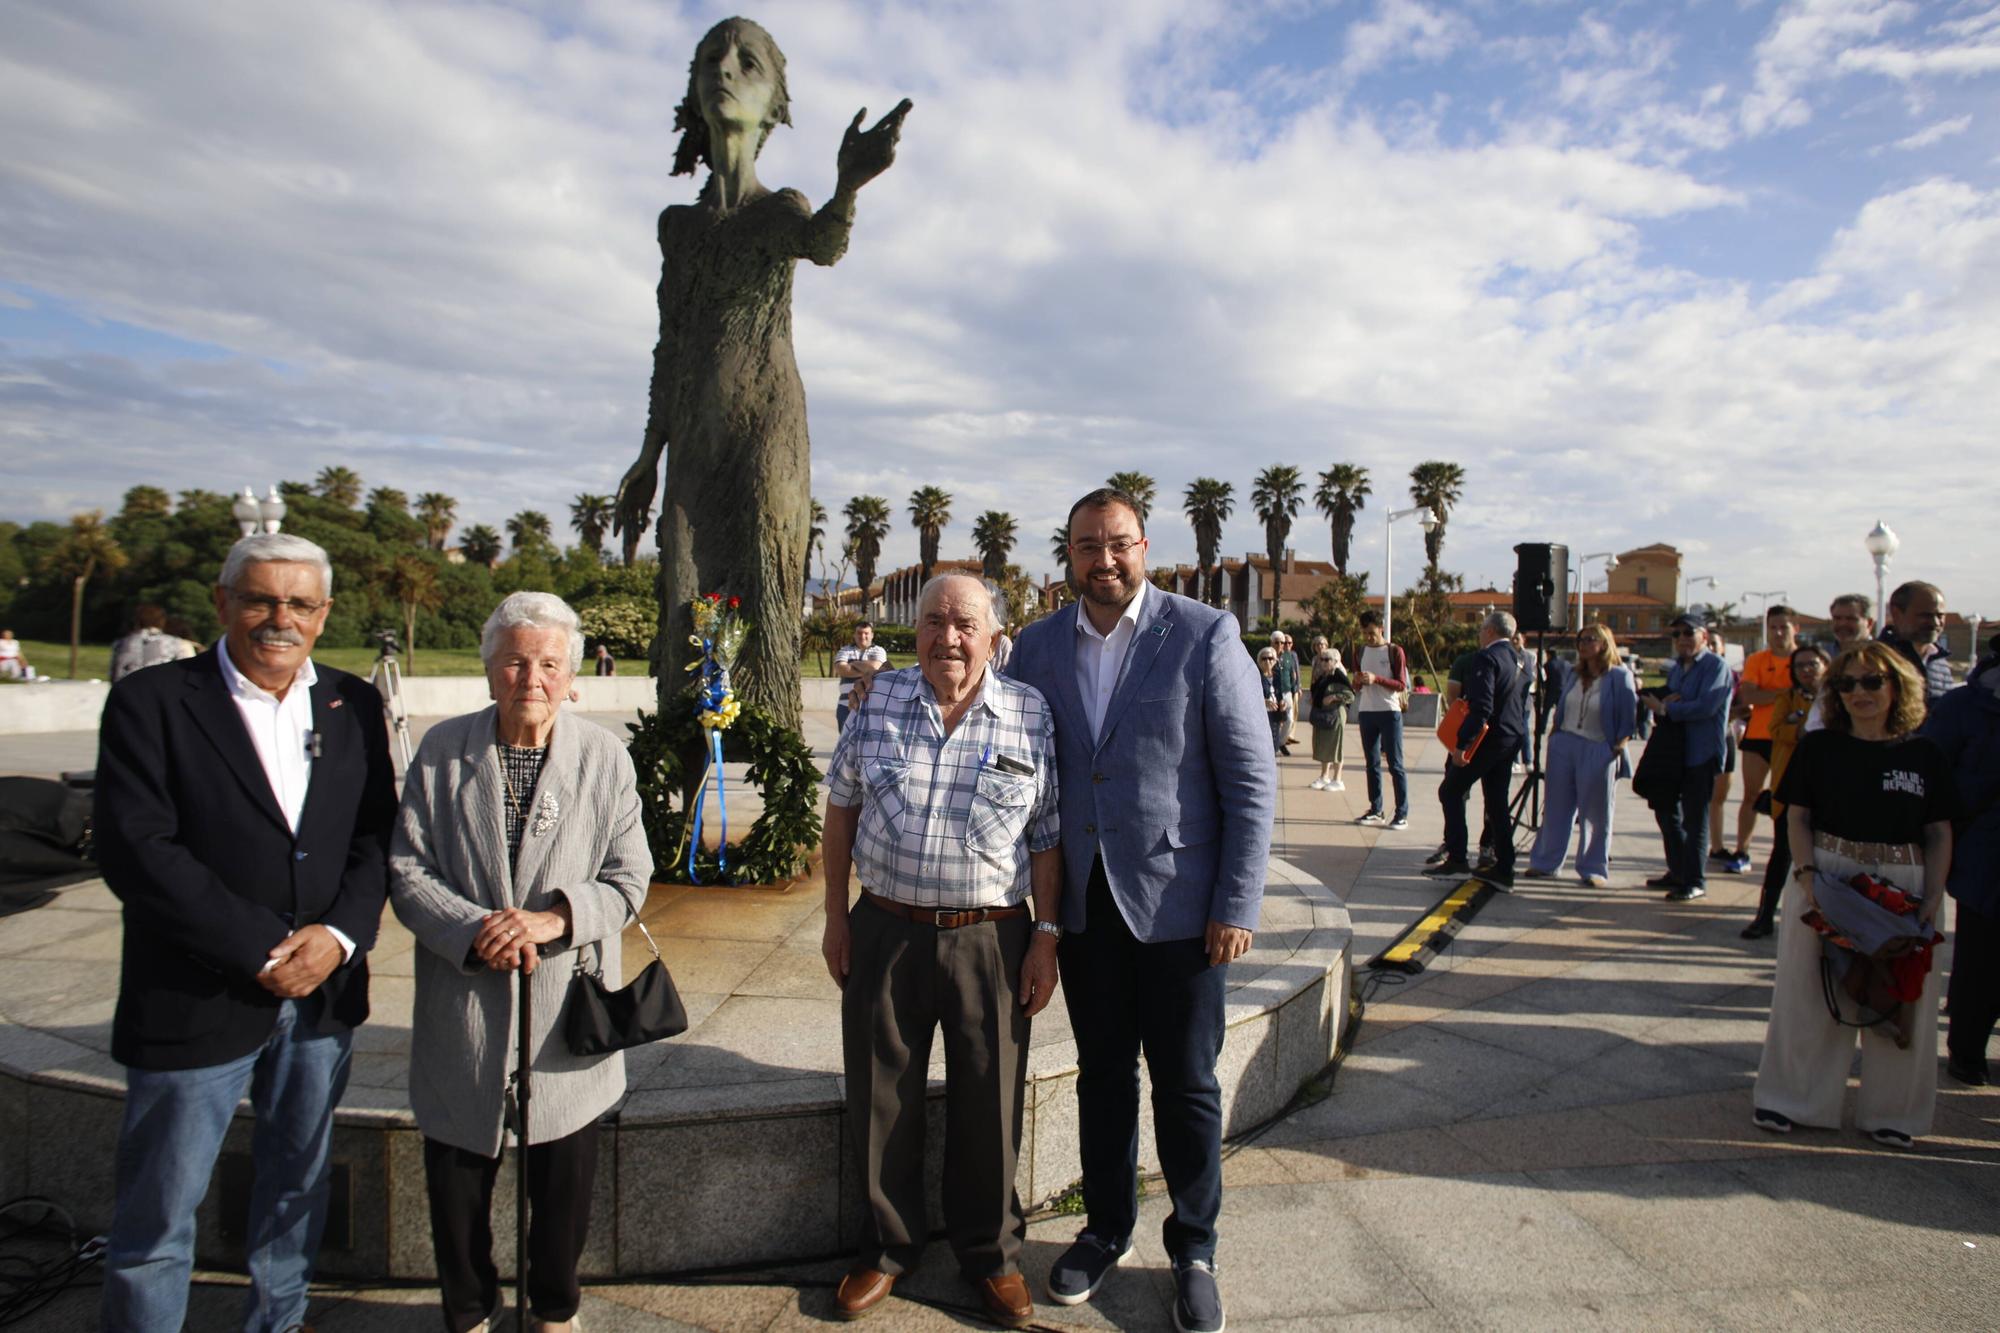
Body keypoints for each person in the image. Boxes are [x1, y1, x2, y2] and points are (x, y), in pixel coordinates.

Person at [91, 533, 396, 1332]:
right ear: (223, 602)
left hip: (322, 995)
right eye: (260, 598)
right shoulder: (152, 701)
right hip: (197, 995)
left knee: (297, 1184)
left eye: (299, 603)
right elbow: (138, 850)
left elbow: (375, 837)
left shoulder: (353, 703)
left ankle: (279, 1320)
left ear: (324, 615)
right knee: (160, 1212)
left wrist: (337, 934)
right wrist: (262, 948)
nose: (278, 618)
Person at [1005, 487, 1274, 1333]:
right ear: (1070, 555)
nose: (1104, 559)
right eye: (1088, 545)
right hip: (1086, 912)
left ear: (1145, 546)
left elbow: (1251, 781)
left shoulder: (1201, 635)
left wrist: (1236, 900)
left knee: (1189, 1084)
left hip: (1182, 913)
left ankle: (1195, 1245)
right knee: (1102, 1078)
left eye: (1118, 543)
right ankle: (1106, 1226)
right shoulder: (1039, 647)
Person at [610, 16, 911, 705]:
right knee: (683, 587)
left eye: (748, 63)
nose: (725, 71)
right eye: (712, 60)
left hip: (766, 428)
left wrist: (848, 188)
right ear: (691, 90)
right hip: (693, 435)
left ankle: (778, 780)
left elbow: (822, 245)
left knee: (768, 581)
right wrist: (647, 453)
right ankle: (684, 760)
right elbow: (670, 343)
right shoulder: (677, 228)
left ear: (776, 103)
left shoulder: (779, 210)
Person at [390, 592, 651, 1333]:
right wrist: (479, 929)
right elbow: (407, 869)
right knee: (458, 1182)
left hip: (564, 1010)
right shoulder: (443, 751)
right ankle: (469, 1309)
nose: (529, 676)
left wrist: (553, 917)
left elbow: (629, 878)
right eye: (514, 659)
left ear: (572, 676)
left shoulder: (603, 757)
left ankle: (554, 1307)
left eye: (547, 662)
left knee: (564, 1186)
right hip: (465, 1004)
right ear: (489, 668)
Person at [819, 574, 1061, 1326]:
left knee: (990, 1098)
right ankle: (888, 1249)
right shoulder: (880, 699)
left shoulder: (1028, 712)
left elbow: (1047, 836)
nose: (947, 638)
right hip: (886, 927)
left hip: (990, 935)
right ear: (912, 630)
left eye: (964, 623)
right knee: (880, 1094)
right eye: (932, 621)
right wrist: (835, 917)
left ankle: (989, 1256)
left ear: (993, 635)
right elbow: (842, 808)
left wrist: (1045, 936)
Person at [1752, 643, 1956, 1149]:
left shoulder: (1923, 753)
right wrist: (1805, 876)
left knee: (1901, 999)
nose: (1859, 693)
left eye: (1871, 682)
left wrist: (1932, 897)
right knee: (1807, 993)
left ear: (1896, 685)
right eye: (1846, 684)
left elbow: (1938, 831)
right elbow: (1797, 815)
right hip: (1829, 875)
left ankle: (1894, 1113)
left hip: (1903, 881)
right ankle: (1791, 1099)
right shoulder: (1820, 748)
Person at [1922, 646, 2000, 1086]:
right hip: (1986, 853)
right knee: (1981, 959)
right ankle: (1967, 1049)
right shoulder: (1965, 706)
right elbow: (1933, 775)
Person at [1523, 624, 1637, 888]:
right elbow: (1562, 707)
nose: (1583, 644)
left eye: (1590, 639)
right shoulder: (1574, 674)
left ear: (1605, 643)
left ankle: (1593, 867)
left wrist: (1617, 747)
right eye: (1580, 640)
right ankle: (1546, 863)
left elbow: (1628, 717)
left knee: (1596, 812)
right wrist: (1554, 736)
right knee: (1556, 807)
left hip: (1598, 745)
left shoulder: (1619, 677)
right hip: (1565, 743)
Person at [1426, 611, 1531, 888]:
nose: (1480, 633)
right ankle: (1504, 867)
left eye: (1482, 629)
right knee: (1497, 802)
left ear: (1490, 631)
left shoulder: (1487, 657)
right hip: (1510, 737)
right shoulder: (1519, 658)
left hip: (1488, 740)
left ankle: (1458, 860)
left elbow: (1481, 705)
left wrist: (1463, 744)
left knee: (1450, 790)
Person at [1641, 612, 1733, 902]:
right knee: (1667, 812)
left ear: (1704, 636)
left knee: (1695, 819)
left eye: (1688, 633)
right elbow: (1676, 697)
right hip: (1675, 752)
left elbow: (1705, 706)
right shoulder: (1678, 668)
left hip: (1701, 753)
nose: (1682, 639)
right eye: (1676, 634)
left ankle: (1695, 879)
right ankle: (1678, 869)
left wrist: (1667, 708)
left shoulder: (1716, 667)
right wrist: (1666, 701)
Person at [1742, 645, 1830, 939]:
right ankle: (1764, 916)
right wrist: (1801, 730)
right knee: (1781, 853)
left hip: (1826, 789)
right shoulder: (1786, 698)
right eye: (1800, 666)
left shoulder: (1836, 701)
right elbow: (1776, 729)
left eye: (1812, 664)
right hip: (1791, 786)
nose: (1806, 670)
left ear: (1825, 666)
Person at [1726, 605, 1800, 874]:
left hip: (1793, 739)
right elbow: (1749, 696)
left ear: (1795, 628)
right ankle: (1741, 851)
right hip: (1759, 736)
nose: (1778, 632)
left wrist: (1768, 693)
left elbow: (1810, 691)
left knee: (1793, 800)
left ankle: (1793, 852)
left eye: (1784, 626)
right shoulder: (1758, 660)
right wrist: (1789, 693)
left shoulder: (1805, 659)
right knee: (1751, 795)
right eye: (1773, 627)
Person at [1351, 610, 1411, 830]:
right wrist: (1357, 681)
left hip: (1389, 711)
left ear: (1381, 628)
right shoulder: (1360, 651)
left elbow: (1401, 684)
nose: (1368, 637)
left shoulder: (1394, 651)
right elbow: (1355, 684)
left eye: (1371, 633)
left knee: (1395, 764)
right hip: (1367, 711)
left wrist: (1377, 679)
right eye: (1364, 633)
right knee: (1372, 763)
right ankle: (1376, 808)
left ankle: (1401, 813)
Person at [1880, 580, 1955, 703]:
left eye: (1940, 616)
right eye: (1925, 616)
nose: (1935, 623)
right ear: (1896, 613)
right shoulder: (1875, 660)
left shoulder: (1940, 663)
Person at [109, 604, 199, 683]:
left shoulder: (120, 643)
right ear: (162, 620)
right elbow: (189, 677)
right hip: (161, 696)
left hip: (124, 694)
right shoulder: (179, 644)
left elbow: (114, 674)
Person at [1308, 648, 1353, 791]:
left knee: (1336, 746)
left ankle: (1337, 779)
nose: (1323, 662)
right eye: (1322, 659)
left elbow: (1350, 695)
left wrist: (1334, 697)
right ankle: (1324, 776)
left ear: (1336, 662)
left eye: (1327, 660)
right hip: (1323, 716)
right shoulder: (1323, 676)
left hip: (1335, 715)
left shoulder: (1339, 677)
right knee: (1323, 745)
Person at [834, 620, 889, 730]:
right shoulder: (845, 650)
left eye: (866, 633)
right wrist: (866, 668)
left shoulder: (879, 650)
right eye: (859, 633)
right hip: (845, 707)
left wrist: (853, 663)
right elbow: (841, 669)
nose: (862, 636)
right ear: (854, 635)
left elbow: (875, 668)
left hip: (870, 705)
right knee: (845, 741)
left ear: (872, 635)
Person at [1275, 631, 1303, 749]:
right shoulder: (1271, 654)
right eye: (1281, 642)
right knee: (1276, 720)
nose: (1283, 645)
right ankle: (1277, 743)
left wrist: (1296, 687)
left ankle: (1281, 742)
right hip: (1275, 692)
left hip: (1288, 691)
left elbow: (1294, 673)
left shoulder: (1290, 656)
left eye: (1285, 642)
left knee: (1290, 719)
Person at [1258, 646, 1287, 754]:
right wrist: (1264, 701)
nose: (1267, 661)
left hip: (1276, 711)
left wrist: (1282, 702)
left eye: (1270, 658)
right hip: (1263, 713)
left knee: (1275, 739)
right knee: (1265, 741)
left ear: (1275, 660)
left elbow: (1279, 693)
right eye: (1264, 658)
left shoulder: (1277, 675)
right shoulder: (1257, 676)